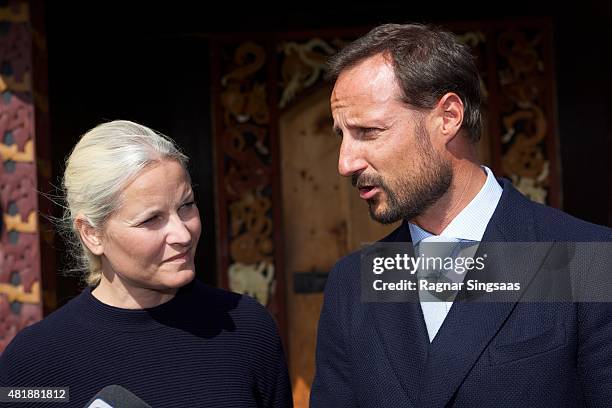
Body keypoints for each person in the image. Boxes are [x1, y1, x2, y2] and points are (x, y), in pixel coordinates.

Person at [310, 23, 612, 407]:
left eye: (368, 131)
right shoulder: (352, 283)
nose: (345, 163)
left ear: (448, 117)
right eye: (341, 135)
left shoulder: (587, 260)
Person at [0, 120, 293, 407]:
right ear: (92, 233)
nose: (182, 234)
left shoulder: (248, 328)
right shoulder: (34, 363)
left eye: (186, 206)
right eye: (151, 219)